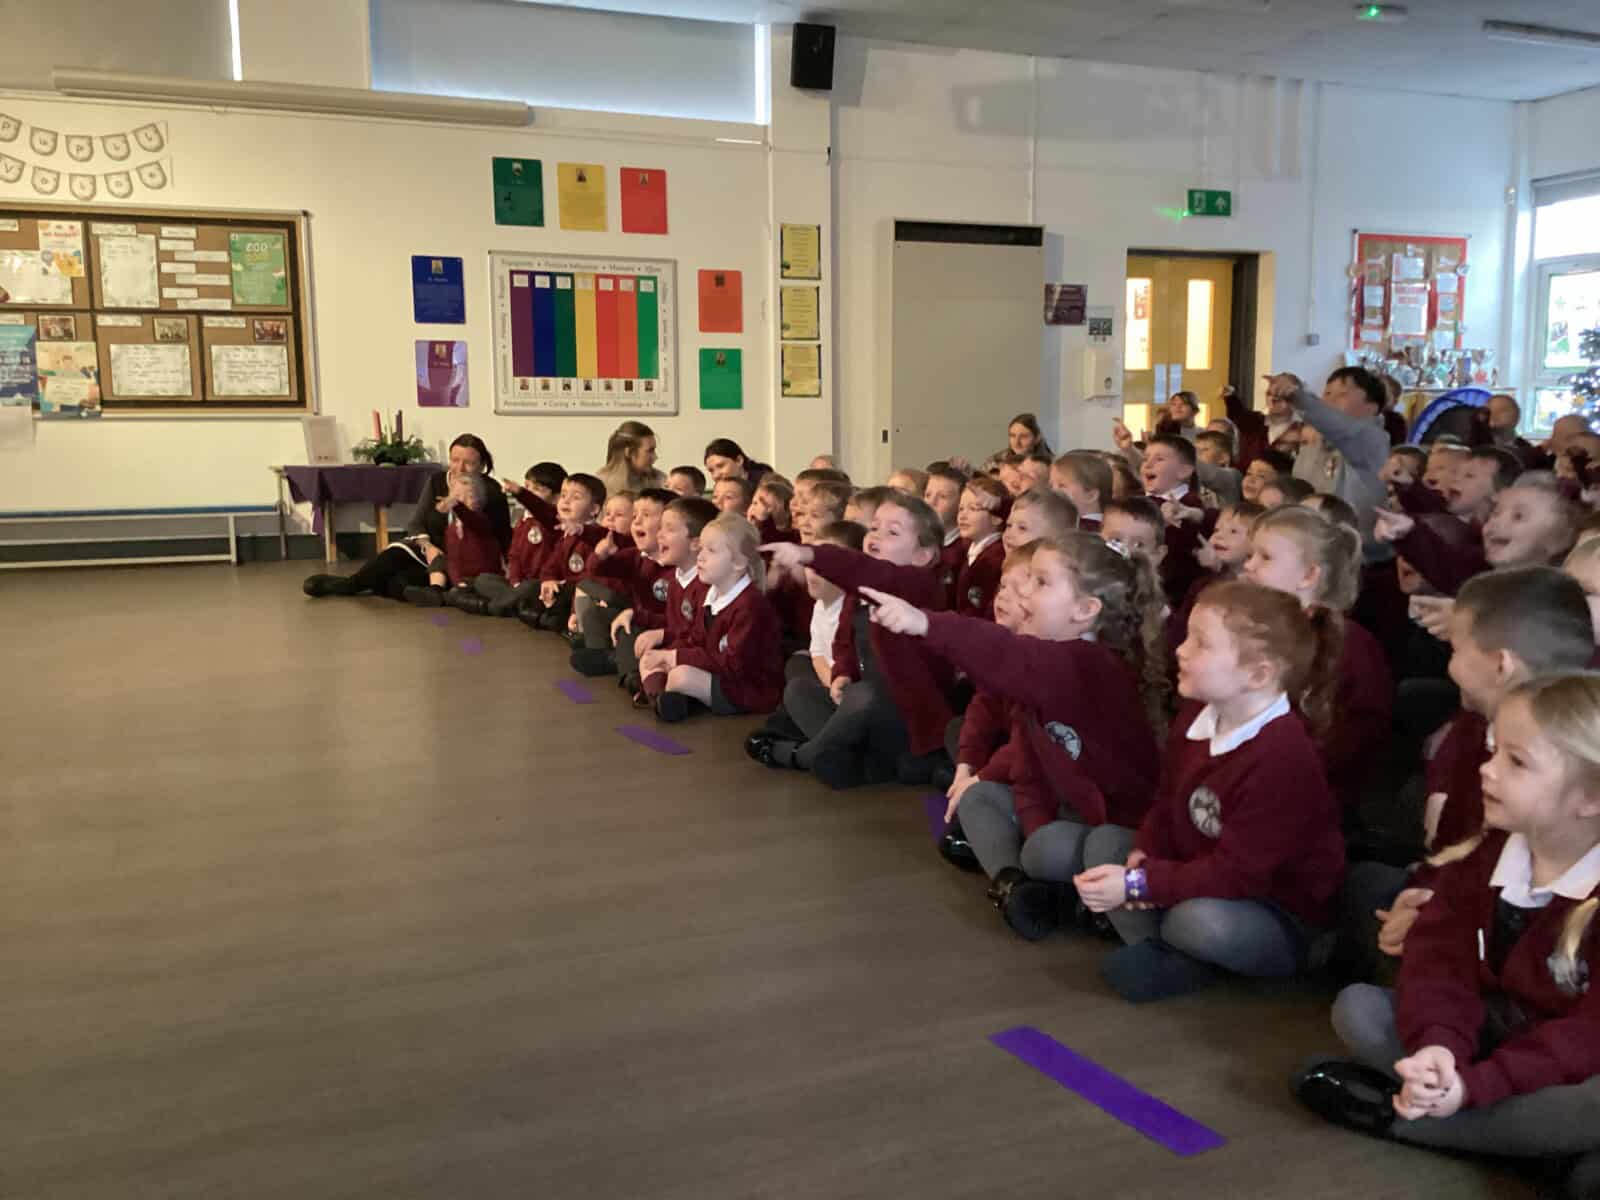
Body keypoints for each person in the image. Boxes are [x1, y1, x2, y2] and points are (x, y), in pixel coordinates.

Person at [1295, 672, 1600, 1199]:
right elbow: (1440, 963)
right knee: (1359, 1009)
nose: (1487, 769)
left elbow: (1587, 1037)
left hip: (1567, 1063)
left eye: (1516, 762)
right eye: (1493, 750)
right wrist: (1438, 1047)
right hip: (1492, 1038)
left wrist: (1477, 1085)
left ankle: (1414, 1124)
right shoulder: (1486, 853)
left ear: (1590, 797)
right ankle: (1526, 1144)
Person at [863, 533, 1166, 940]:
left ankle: (1132, 934)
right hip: (1071, 814)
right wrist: (1035, 829)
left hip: (1125, 832)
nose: (1024, 592)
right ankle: (1017, 887)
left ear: (1085, 610)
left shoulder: (1091, 665)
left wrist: (925, 622)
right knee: (992, 808)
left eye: (1041, 582)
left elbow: (1001, 653)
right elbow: (1027, 767)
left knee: (1094, 845)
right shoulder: (1048, 661)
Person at [1075, 580, 1344, 1001]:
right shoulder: (1197, 714)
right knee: (1105, 845)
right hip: (1199, 870)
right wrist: (1144, 853)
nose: (1181, 651)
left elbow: (1238, 875)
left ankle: (1177, 951)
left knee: (1199, 923)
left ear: (1258, 674)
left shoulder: (1283, 757)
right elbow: (1167, 800)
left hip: (1273, 910)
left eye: (1201, 644)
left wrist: (1139, 885)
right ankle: (1172, 954)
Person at [1242, 505, 1392, 812]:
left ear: (1309, 575)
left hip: (1306, 796)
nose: (1249, 565)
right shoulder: (1251, 627)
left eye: (1265, 557)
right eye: (1251, 555)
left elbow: (1351, 740)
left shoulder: (1350, 645)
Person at [302, 433, 512, 601]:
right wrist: (428, 547)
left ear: (482, 465)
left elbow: (502, 534)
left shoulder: (491, 491)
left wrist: (510, 571)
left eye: (469, 463)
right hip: (429, 550)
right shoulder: (437, 481)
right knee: (391, 557)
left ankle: (428, 592)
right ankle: (349, 584)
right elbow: (417, 522)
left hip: (461, 561)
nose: (460, 468)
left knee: (399, 581)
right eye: (455, 460)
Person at [638, 512, 782, 723]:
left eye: (711, 551)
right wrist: (668, 655)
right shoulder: (711, 595)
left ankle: (659, 694)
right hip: (716, 671)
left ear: (738, 563)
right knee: (650, 659)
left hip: (747, 688)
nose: (701, 557)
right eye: (702, 548)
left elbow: (733, 664)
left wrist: (675, 658)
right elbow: (694, 640)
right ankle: (664, 699)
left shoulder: (749, 606)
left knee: (681, 675)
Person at [1272, 369, 1391, 561]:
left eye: (1342, 394)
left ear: (1372, 407)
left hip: (1358, 559)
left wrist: (1297, 397)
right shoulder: (1314, 442)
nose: (1329, 401)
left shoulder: (1372, 438)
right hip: (1309, 552)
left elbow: (1339, 427)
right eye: (1327, 393)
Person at [614, 496, 718, 699]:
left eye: (669, 529)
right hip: (682, 648)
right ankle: (659, 695)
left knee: (674, 672)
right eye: (660, 527)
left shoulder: (706, 586)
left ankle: (658, 694)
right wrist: (638, 616)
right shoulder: (677, 580)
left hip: (704, 659)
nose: (660, 535)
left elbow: (700, 639)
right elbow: (675, 624)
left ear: (695, 543)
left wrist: (664, 639)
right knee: (645, 654)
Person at [399, 473, 506, 608]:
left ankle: (473, 603)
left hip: (483, 577)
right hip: (463, 578)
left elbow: (471, 520)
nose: (462, 501)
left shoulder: (482, 521)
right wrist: (458, 582)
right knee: (441, 561)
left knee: (465, 591)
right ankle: (436, 590)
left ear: (478, 500)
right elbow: (453, 560)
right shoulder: (452, 529)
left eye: (468, 496)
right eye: (457, 497)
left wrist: (457, 505)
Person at [520, 473, 606, 631]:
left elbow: (589, 578)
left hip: (580, 594)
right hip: (563, 589)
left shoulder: (596, 537)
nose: (566, 501)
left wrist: (564, 586)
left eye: (576, 497)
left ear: (594, 509)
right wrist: (549, 580)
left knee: (537, 598)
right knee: (532, 587)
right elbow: (551, 565)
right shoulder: (565, 533)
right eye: (564, 495)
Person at [955, 474, 1006, 619]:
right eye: (960, 509)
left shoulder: (995, 558)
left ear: (996, 517)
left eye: (973, 509)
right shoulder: (970, 551)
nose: (963, 516)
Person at [595, 420, 665, 497]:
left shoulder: (660, 481)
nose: (655, 457)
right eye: (650, 451)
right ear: (629, 452)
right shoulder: (600, 486)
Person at [1051, 452, 1111, 532]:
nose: (1053, 490)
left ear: (1091, 495)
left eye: (1062, 485)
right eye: (1051, 485)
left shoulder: (1090, 532)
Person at [703, 437, 773, 487]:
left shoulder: (766, 484)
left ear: (739, 460)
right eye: (711, 471)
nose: (716, 475)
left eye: (721, 466)